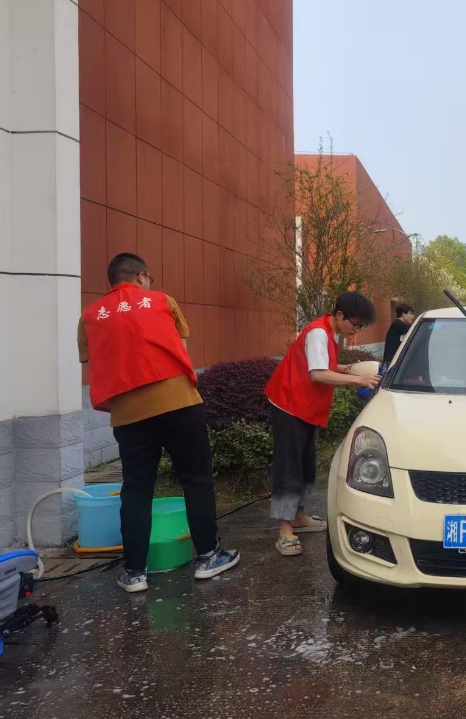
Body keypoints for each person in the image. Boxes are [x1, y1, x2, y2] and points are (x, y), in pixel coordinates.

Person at [79, 253, 239, 593]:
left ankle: (135, 573)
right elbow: (181, 348)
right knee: (196, 480)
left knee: (136, 489)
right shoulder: (162, 301)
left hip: (128, 412)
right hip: (177, 401)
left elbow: (94, 358)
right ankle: (208, 557)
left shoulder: (91, 315)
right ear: (141, 277)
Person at [266, 293, 382, 556]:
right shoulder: (318, 332)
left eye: (361, 326)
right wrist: (357, 380)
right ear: (339, 315)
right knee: (289, 466)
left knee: (305, 463)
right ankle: (285, 530)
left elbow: (322, 364)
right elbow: (318, 374)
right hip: (289, 404)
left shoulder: (327, 333)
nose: (356, 330)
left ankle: (299, 517)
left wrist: (345, 368)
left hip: (305, 408)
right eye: (356, 324)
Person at [382, 304, 416, 368]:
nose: (413, 316)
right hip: (391, 362)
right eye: (411, 313)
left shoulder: (398, 324)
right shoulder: (399, 324)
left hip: (394, 361)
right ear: (403, 314)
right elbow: (416, 329)